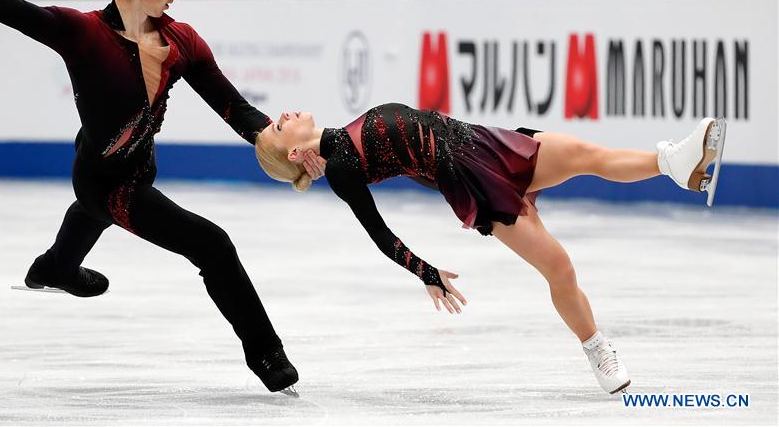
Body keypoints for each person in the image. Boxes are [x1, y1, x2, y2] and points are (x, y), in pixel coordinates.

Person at [0, 0, 327, 395]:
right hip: (105, 184)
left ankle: (55, 267)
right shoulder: (83, 33)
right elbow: (8, 8)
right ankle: (268, 356)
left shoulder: (183, 44)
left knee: (91, 216)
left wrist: (285, 143)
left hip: (138, 167)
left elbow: (235, 108)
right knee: (212, 244)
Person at [254, 103, 725, 394]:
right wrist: (425, 270)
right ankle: (597, 350)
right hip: (473, 178)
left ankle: (676, 164)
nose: (287, 114)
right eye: (279, 126)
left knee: (589, 156)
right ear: (294, 154)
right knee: (560, 267)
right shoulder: (339, 166)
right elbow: (377, 232)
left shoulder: (343, 137)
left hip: (481, 141)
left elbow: (415, 157)